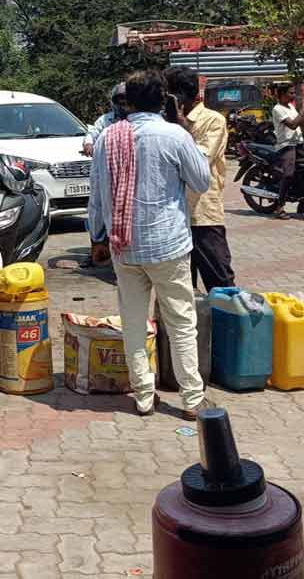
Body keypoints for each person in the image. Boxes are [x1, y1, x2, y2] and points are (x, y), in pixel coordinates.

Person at [88, 70, 212, 419]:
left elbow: (97, 194)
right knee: (181, 322)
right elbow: (201, 181)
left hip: (123, 246)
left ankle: (143, 397)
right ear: (163, 99)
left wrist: (96, 236)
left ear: (127, 101)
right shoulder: (174, 135)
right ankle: (191, 400)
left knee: (133, 322)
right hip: (168, 244)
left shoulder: (108, 137)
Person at [164, 66, 235, 290]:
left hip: (203, 214)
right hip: (174, 214)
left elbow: (200, 162)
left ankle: (227, 324)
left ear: (183, 94)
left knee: (219, 280)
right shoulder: (162, 123)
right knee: (181, 286)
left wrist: (182, 127)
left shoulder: (213, 121)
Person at [270, 84, 304, 219]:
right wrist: (303, 110)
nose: (293, 95)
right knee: (288, 174)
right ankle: (279, 207)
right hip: (287, 145)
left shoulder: (291, 107)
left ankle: (303, 204)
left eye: (294, 93)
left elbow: (302, 123)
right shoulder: (278, 109)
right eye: (291, 93)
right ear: (282, 94)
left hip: (299, 143)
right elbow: (293, 125)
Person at [81, 82, 130, 156]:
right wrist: (88, 144)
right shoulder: (105, 119)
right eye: (119, 99)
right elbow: (93, 133)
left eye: (125, 99)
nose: (122, 102)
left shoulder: (138, 118)